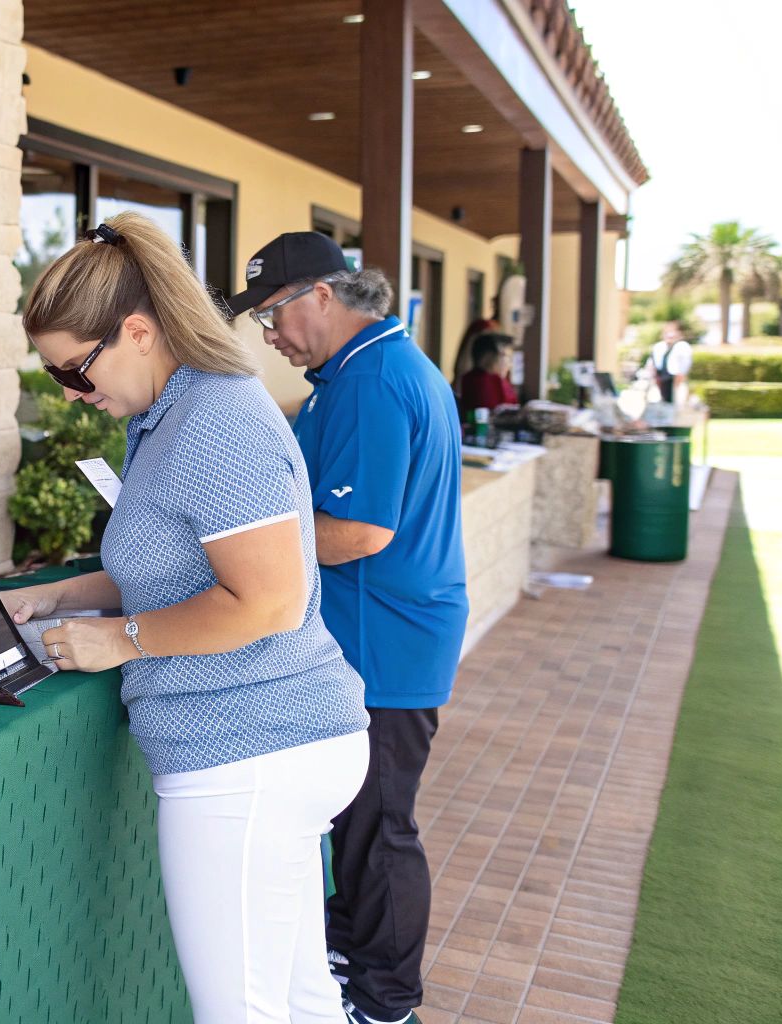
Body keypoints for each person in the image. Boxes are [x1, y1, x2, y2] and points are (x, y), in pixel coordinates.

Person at [0, 213, 370, 1024]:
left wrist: (119, 639)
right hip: (271, 742)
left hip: (249, 748)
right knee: (302, 999)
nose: (74, 392)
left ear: (137, 330)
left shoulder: (215, 420)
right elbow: (177, 565)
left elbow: (266, 600)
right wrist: (57, 597)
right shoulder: (167, 414)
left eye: (75, 371)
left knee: (240, 1012)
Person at [228, 230, 468, 1024]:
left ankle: (387, 1001)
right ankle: (348, 959)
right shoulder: (357, 372)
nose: (268, 335)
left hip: (386, 640)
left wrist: (241, 553)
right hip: (385, 634)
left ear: (322, 298)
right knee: (358, 824)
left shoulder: (371, 379)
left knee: (377, 831)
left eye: (271, 315)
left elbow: (360, 530)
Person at [455, 332, 519, 417]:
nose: (510, 364)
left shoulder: (469, 378)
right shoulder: (487, 382)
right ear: (489, 356)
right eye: (507, 357)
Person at [648, 321, 692, 404]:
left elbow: (685, 364)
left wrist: (680, 377)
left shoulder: (682, 346)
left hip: (674, 378)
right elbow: (652, 362)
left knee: (675, 401)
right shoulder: (659, 347)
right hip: (660, 377)